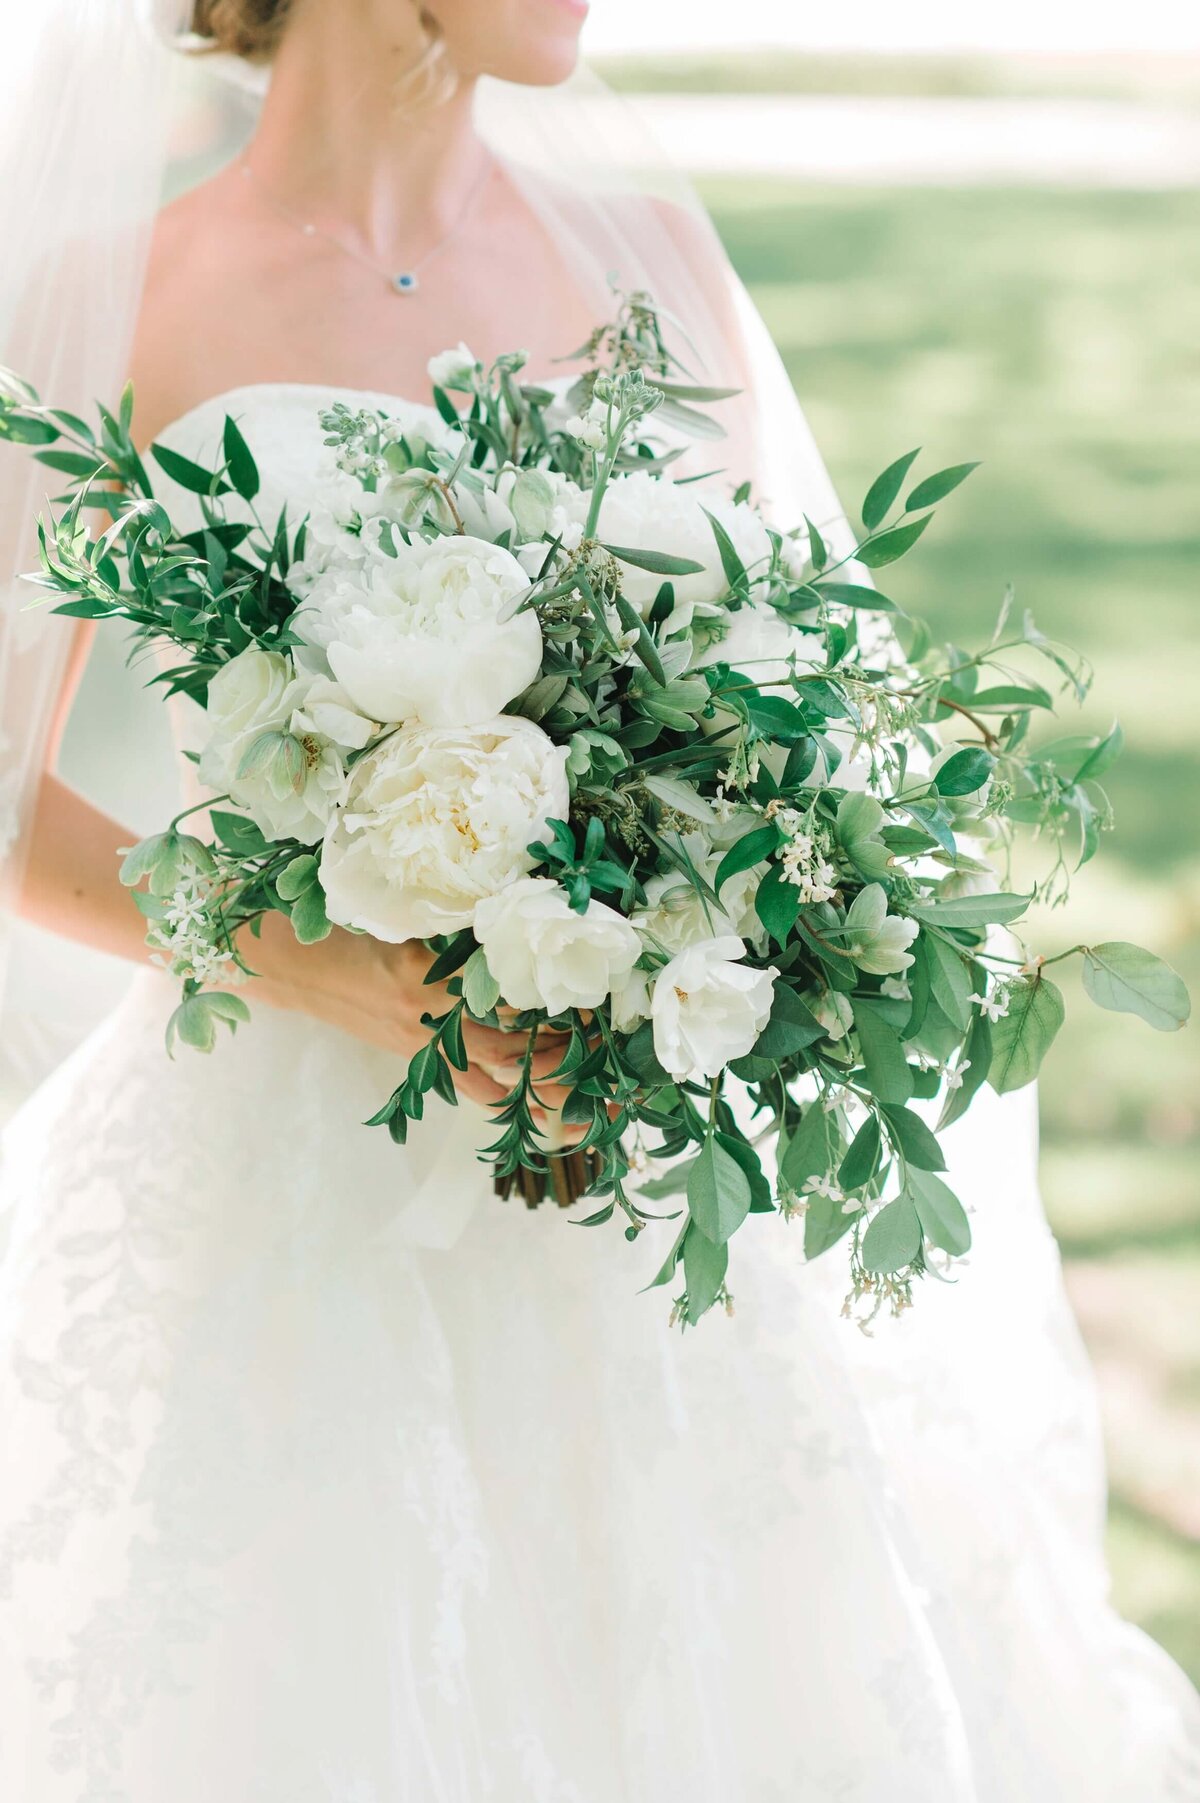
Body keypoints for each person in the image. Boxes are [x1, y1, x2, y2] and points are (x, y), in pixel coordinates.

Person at [0, 4, 1197, 1798]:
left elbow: (793, 717)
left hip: (642, 1208)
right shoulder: (132, 296)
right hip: (279, 1214)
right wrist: (331, 970)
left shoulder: (645, 268)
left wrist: (720, 941)